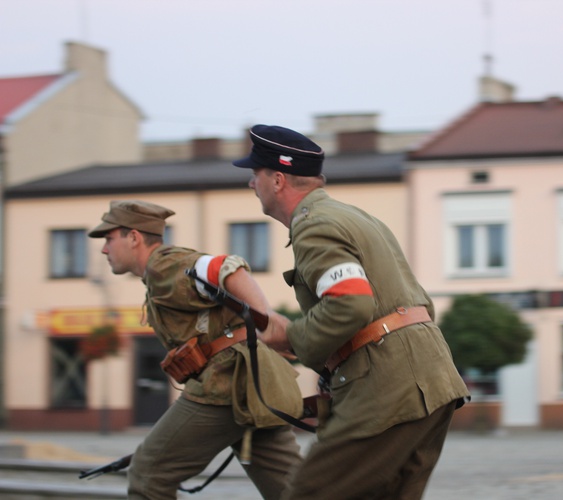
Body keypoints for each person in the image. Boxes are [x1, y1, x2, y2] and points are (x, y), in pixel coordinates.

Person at [233, 124, 471, 499]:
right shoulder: (357, 217)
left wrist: (290, 335)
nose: (251, 184)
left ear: (277, 180)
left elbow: (350, 301)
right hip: (432, 381)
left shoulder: (314, 226)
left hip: (387, 391)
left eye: (254, 174)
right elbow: (418, 303)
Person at [88, 200, 303, 500]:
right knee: (292, 490)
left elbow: (225, 268)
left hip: (225, 384)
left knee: (148, 473)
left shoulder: (163, 264)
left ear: (134, 237)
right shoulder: (159, 273)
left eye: (109, 239)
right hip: (253, 385)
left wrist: (264, 316)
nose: (104, 249)